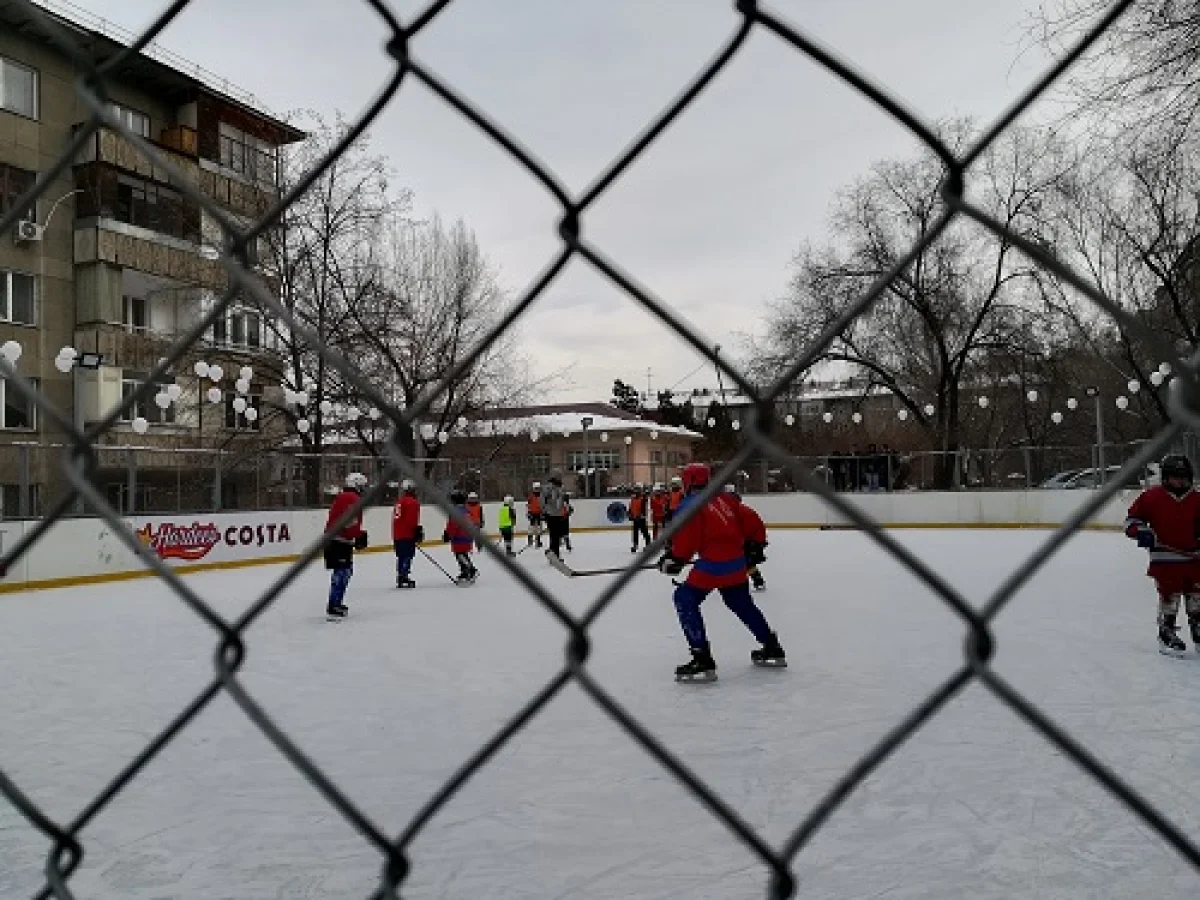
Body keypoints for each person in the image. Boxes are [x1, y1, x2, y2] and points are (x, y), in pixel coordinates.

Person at [659, 463, 785, 682]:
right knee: (741, 603)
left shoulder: (690, 505)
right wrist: (756, 545)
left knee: (684, 598)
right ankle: (771, 646)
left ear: (688, 482)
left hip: (711, 568)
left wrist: (674, 560)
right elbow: (752, 520)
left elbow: (687, 541)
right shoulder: (726, 499)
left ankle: (702, 659)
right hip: (736, 566)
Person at [1124, 454, 1200, 656]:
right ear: (1166, 477)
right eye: (1175, 477)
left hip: (1195, 559)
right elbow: (1131, 521)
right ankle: (1166, 631)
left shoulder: (1196, 498)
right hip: (1165, 558)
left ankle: (1198, 629)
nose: (1179, 481)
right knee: (1170, 595)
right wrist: (1142, 532)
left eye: (1183, 477)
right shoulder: (1151, 497)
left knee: (1196, 596)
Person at [324, 472, 369, 618]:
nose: (363, 489)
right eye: (362, 485)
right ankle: (334, 604)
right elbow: (350, 521)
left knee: (345, 571)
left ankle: (336, 602)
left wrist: (356, 534)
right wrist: (358, 534)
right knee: (342, 572)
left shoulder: (345, 496)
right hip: (339, 540)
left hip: (338, 539)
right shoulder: (352, 498)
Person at [724, 484, 767, 591]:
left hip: (752, 541)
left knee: (745, 561)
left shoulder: (738, 511)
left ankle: (757, 580)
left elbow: (746, 530)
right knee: (743, 561)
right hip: (752, 540)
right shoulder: (736, 510)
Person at [391, 478, 423, 589]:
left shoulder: (399, 501)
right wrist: (415, 531)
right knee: (407, 556)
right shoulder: (412, 502)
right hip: (407, 534)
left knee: (401, 556)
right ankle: (403, 576)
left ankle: (401, 575)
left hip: (397, 534)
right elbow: (411, 520)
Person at [443, 489, 478, 584]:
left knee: (460, 555)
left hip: (459, 537)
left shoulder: (455, 511)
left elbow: (453, 525)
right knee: (462, 554)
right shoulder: (465, 510)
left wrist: (448, 534)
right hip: (466, 537)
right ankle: (466, 571)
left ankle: (470, 570)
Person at [541, 471, 568, 559]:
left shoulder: (560, 487)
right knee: (554, 535)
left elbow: (561, 500)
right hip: (550, 514)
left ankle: (554, 552)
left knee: (556, 535)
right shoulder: (548, 488)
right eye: (559, 476)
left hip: (558, 514)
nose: (560, 478)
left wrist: (566, 507)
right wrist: (544, 511)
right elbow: (542, 500)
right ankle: (555, 553)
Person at [628, 484, 651, 552]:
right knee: (635, 532)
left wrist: (641, 515)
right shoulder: (633, 499)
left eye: (638, 490)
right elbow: (631, 507)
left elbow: (644, 508)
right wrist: (629, 513)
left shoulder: (643, 498)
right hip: (635, 518)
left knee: (644, 531)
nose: (636, 491)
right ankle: (635, 544)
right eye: (635, 490)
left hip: (641, 518)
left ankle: (648, 544)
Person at [526, 482, 544, 548]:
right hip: (533, 513)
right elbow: (528, 505)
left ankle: (538, 541)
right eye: (536, 488)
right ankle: (530, 540)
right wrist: (528, 512)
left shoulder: (541, 496)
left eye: (538, 488)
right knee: (532, 527)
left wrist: (543, 513)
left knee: (538, 528)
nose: (537, 490)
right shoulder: (531, 496)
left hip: (539, 513)